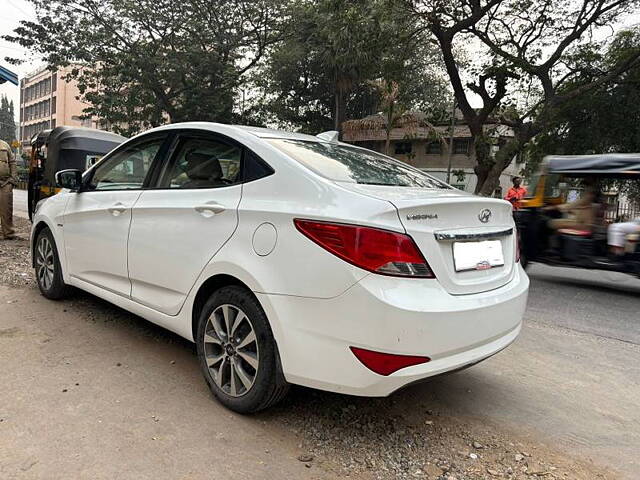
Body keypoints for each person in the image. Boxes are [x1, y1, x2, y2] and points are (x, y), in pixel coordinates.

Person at [0, 139, 18, 240]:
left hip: (5, 183)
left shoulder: (5, 145)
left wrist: (12, 180)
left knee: (6, 209)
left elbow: (12, 163)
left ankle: (8, 233)